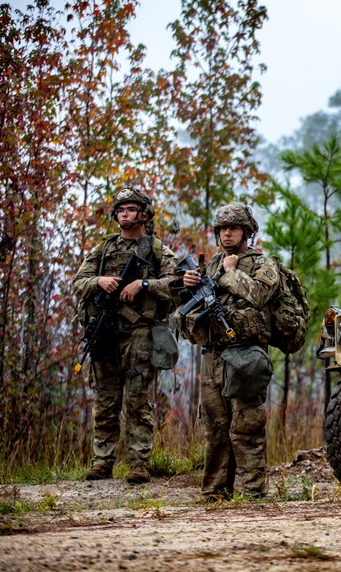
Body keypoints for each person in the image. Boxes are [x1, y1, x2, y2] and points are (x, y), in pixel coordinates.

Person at [174, 203, 279, 500]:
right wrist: (187, 284)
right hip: (213, 357)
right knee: (215, 429)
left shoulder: (262, 264)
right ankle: (214, 493)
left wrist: (231, 274)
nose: (227, 233)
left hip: (245, 355)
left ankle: (251, 492)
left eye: (233, 228)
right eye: (222, 228)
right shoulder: (209, 266)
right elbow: (185, 313)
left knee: (247, 426)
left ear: (247, 231)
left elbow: (261, 295)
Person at [72, 187, 177, 484]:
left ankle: (139, 463)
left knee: (137, 400)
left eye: (131, 209)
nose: (125, 214)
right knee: (104, 401)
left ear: (143, 213)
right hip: (106, 334)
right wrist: (99, 281)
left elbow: (176, 282)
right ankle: (102, 461)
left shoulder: (155, 249)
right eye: (120, 210)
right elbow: (78, 282)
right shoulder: (104, 249)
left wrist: (144, 285)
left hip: (140, 334)